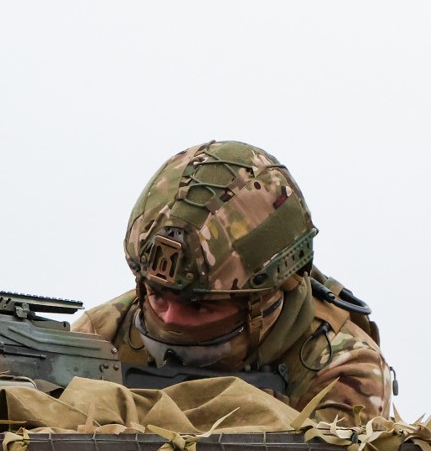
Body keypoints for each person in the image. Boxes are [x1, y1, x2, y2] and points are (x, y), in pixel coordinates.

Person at [72, 140, 394, 423]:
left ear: (264, 302)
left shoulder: (342, 368)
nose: (169, 318)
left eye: (198, 307)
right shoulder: (104, 334)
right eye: (157, 297)